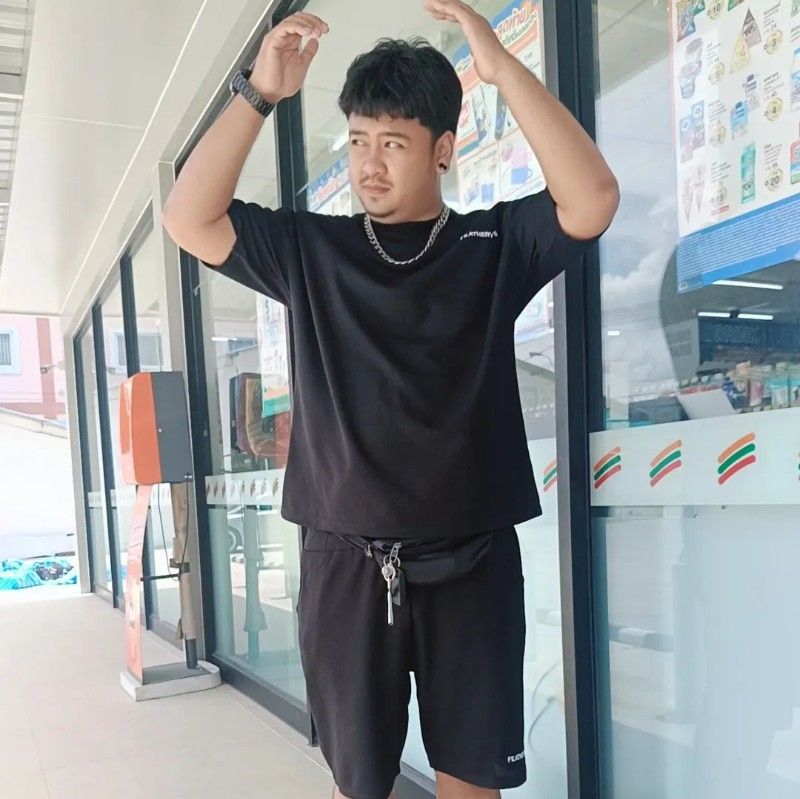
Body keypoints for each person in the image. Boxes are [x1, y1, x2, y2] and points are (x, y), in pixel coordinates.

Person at [163, 1, 619, 797]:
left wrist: (500, 69)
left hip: (473, 561)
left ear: (443, 149)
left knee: (472, 778)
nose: (369, 165)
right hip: (345, 563)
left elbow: (593, 198)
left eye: (394, 144)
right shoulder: (310, 251)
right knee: (359, 782)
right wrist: (258, 93)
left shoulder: (492, 246)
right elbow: (187, 217)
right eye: (359, 141)